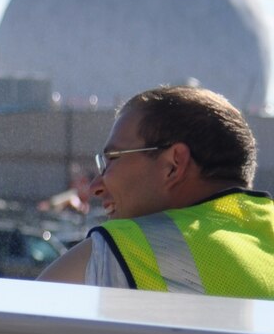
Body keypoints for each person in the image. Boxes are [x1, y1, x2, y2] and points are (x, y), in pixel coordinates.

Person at [40, 85, 274, 295]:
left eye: (112, 159)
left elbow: (23, 326)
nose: (95, 187)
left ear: (174, 165)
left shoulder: (122, 249)